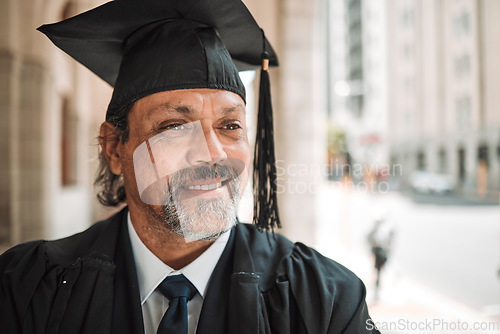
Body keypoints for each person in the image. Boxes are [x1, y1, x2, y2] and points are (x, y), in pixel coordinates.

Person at [0, 0, 379, 333]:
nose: (212, 153)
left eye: (230, 126)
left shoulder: (325, 299)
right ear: (115, 148)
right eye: (174, 126)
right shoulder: (27, 287)